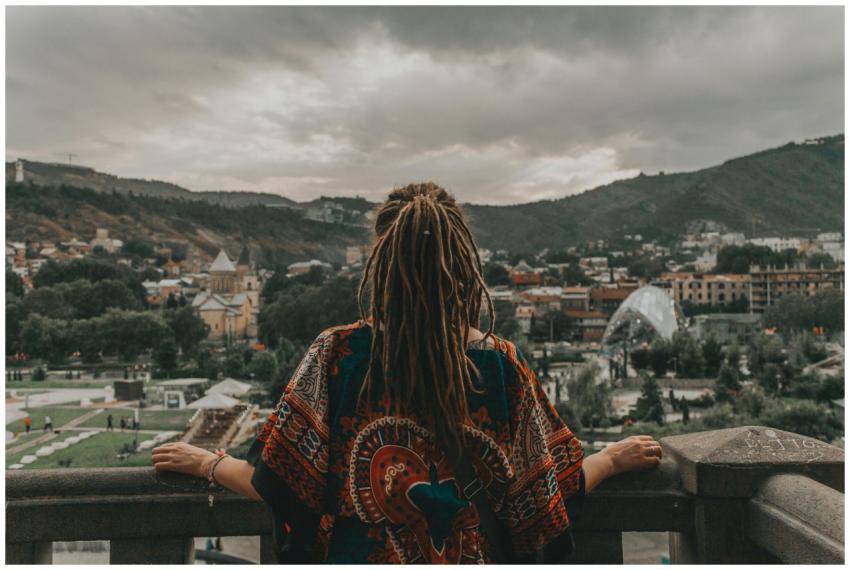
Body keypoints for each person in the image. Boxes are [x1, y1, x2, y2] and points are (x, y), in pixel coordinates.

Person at [153, 183, 663, 564]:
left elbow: (280, 481)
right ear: (463, 268)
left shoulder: (337, 355)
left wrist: (207, 463)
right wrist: (611, 460)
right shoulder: (501, 365)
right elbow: (542, 499)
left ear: (382, 264)